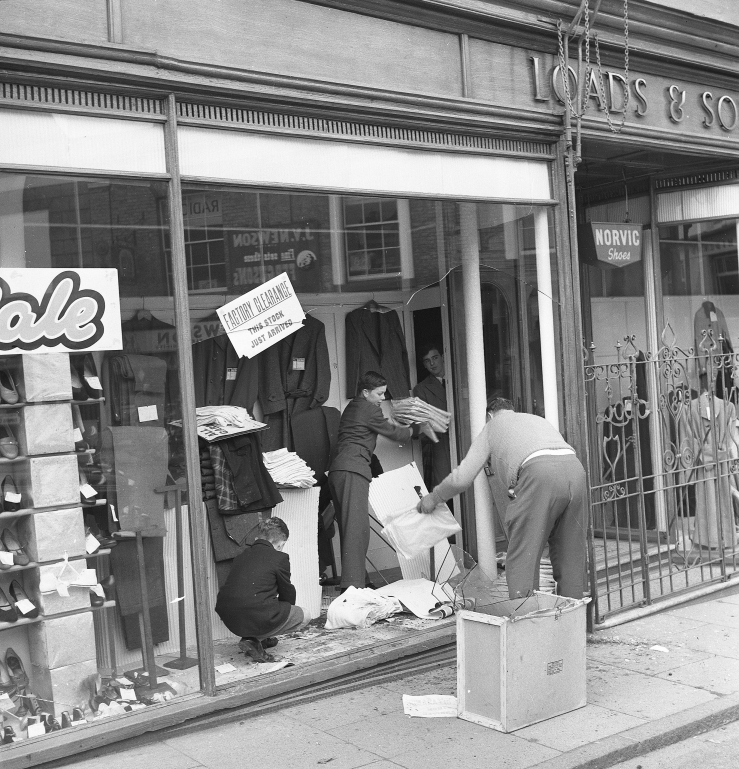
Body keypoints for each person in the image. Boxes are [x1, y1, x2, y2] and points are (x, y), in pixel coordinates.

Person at [417, 397, 587, 599]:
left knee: (523, 554)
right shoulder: (535, 419)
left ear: (489, 416)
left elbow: (462, 479)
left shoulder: (491, 427)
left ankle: (525, 613)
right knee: (570, 552)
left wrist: (434, 497)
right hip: (575, 471)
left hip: (538, 474)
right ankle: (574, 612)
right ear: (511, 410)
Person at [328, 370, 435, 590]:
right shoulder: (368, 409)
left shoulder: (353, 407)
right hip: (353, 471)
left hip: (339, 471)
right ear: (365, 392)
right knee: (357, 530)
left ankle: (359, 580)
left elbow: (358, 438)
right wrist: (417, 428)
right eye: (379, 394)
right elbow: (394, 433)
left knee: (350, 528)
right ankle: (354, 586)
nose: (382, 398)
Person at [215, 517, 310, 662]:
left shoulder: (240, 556)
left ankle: (261, 638)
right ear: (281, 543)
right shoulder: (279, 557)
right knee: (305, 615)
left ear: (258, 537)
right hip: (256, 614)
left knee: (261, 604)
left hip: (229, 617)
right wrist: (285, 610)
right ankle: (254, 639)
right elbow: (287, 593)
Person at [413, 344, 452, 489]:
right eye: (427, 361)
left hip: (466, 439)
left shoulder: (459, 376)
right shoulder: (421, 389)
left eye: (435, 358)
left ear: (442, 357)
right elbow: (423, 422)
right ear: (424, 364)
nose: (432, 363)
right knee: (445, 486)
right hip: (441, 444)